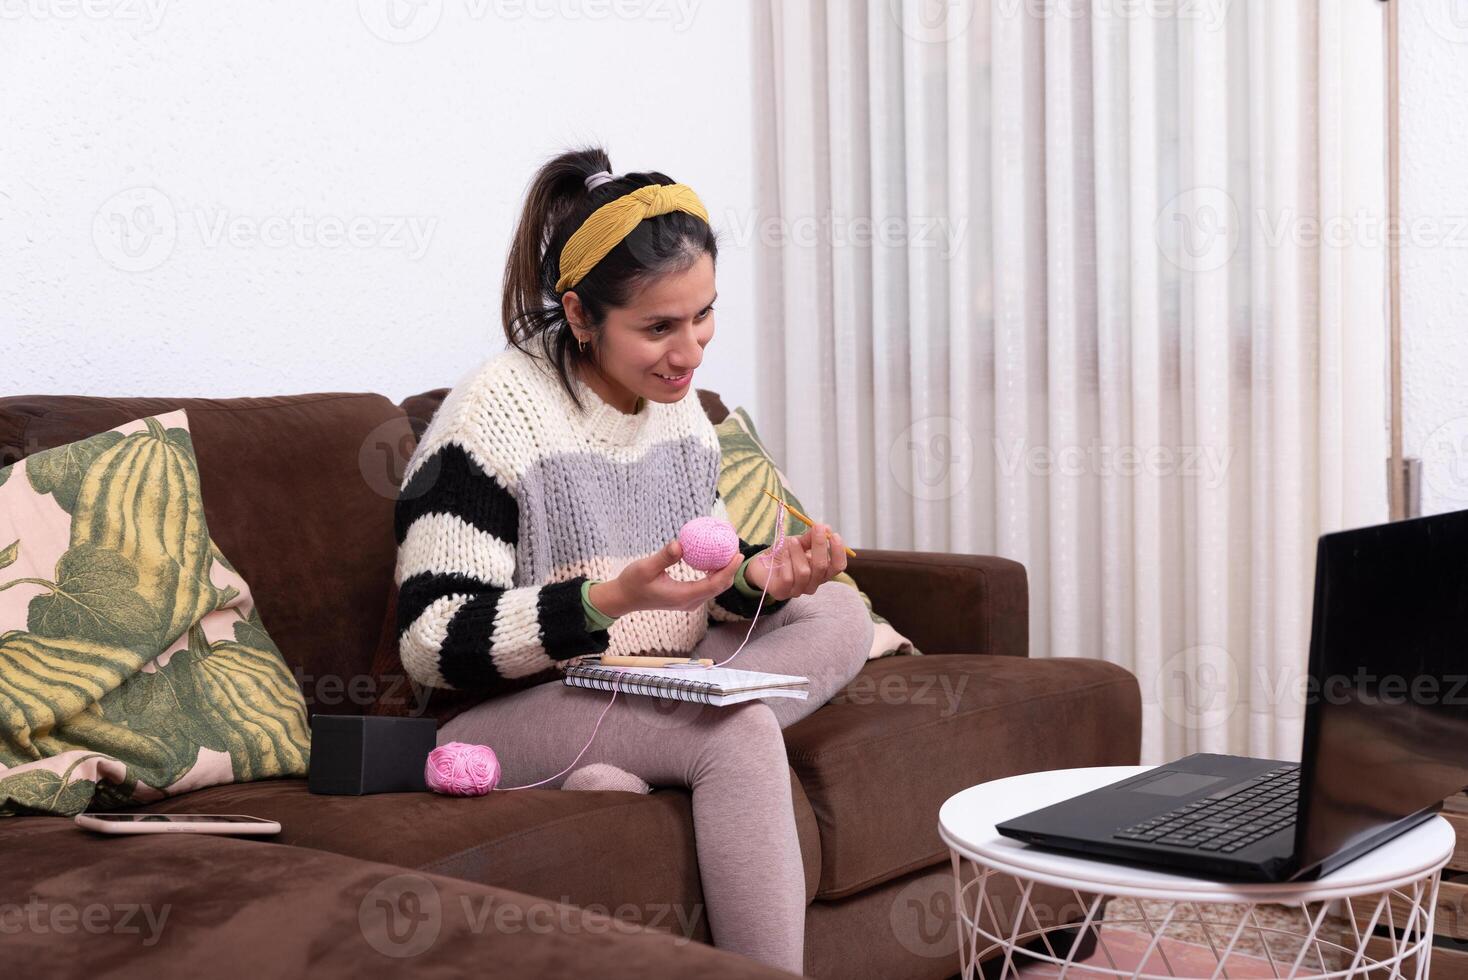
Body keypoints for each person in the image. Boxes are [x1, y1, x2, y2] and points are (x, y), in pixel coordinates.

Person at [393, 146, 873, 974]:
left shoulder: (676, 413)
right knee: (741, 733)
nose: (689, 353)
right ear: (580, 315)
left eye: (703, 316)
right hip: (521, 701)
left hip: (648, 671)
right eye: (658, 327)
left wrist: (758, 579)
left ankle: (646, 752)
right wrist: (601, 601)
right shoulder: (492, 417)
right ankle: (677, 752)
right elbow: (433, 645)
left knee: (839, 611)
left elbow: (698, 582)